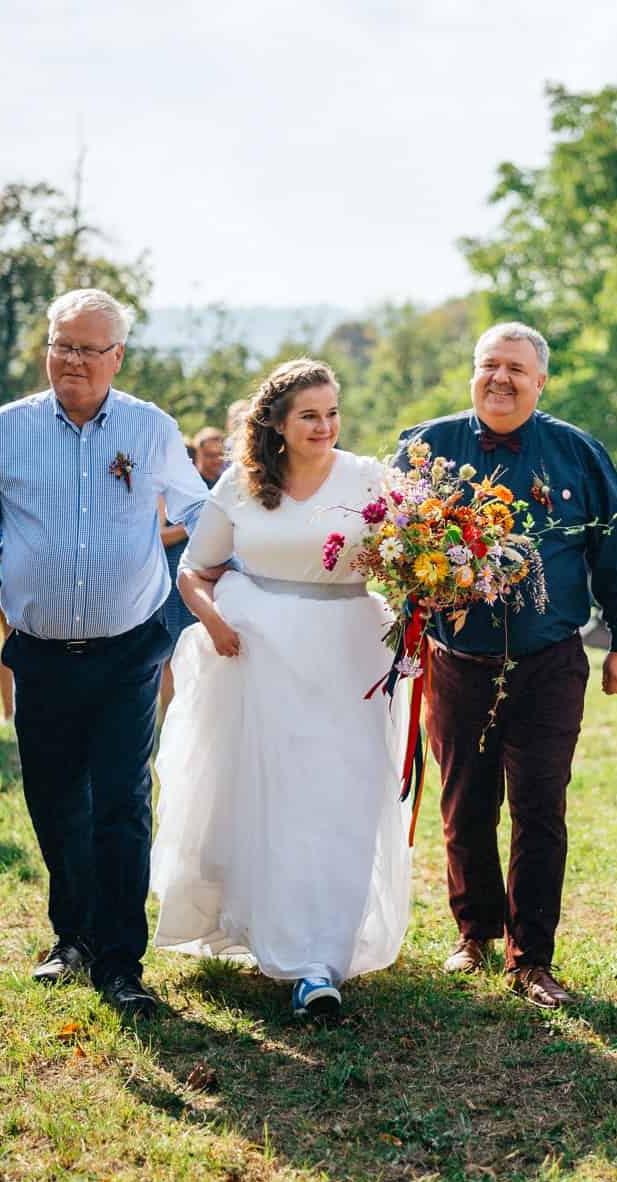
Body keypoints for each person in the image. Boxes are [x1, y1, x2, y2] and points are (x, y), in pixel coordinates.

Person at [0, 288, 211, 1018]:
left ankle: (122, 961)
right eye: (62, 345)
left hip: (129, 649)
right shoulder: (7, 430)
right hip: (38, 653)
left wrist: (251, 564)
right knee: (54, 799)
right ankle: (74, 939)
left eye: (89, 349)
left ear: (117, 357)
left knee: (122, 803)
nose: (72, 361)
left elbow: (197, 512)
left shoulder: (151, 429)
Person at [152, 360, 409, 1018]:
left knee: (341, 797)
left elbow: (410, 555)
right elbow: (195, 571)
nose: (325, 426)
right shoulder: (242, 484)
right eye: (309, 415)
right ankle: (284, 944)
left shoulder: (370, 479)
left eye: (332, 412)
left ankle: (323, 954)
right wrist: (213, 622)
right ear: (276, 423)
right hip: (257, 652)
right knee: (272, 799)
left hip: (348, 653)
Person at [403, 321, 617, 1010]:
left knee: (540, 808)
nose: (499, 379)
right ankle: (474, 933)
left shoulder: (577, 453)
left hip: (549, 661)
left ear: (541, 381)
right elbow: (384, 539)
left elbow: (615, 549)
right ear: (472, 373)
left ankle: (531, 958)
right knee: (465, 805)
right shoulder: (425, 449)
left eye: (515, 368)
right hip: (456, 661)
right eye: (488, 366)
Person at [154, 426, 225, 711]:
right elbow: (159, 534)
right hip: (173, 573)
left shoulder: (216, 486)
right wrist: (192, 526)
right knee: (170, 648)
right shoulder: (170, 491)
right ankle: (168, 714)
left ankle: (195, 709)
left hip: (200, 574)